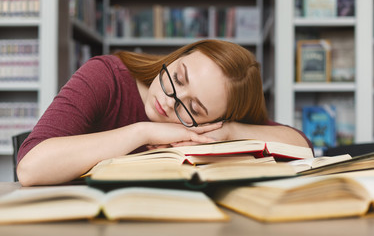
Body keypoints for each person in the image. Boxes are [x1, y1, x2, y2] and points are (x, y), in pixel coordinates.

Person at [17, 39, 312, 186]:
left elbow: (303, 147)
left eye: (193, 108)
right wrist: (141, 131)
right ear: (176, 57)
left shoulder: (215, 125)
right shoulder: (106, 76)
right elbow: (30, 168)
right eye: (179, 78)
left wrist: (231, 131)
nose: (171, 100)